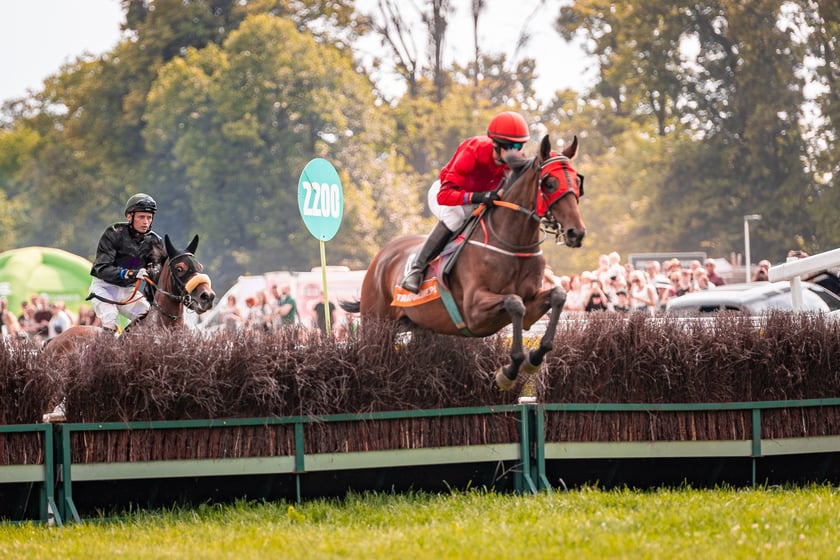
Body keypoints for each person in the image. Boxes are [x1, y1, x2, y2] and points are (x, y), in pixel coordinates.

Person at [400, 111, 530, 293]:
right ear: (497, 144)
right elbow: (444, 196)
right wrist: (479, 197)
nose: (517, 151)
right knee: (455, 218)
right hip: (447, 195)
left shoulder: (512, 160)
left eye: (520, 146)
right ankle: (416, 268)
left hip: (476, 203)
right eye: (512, 146)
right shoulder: (474, 150)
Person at [88, 193, 165, 333]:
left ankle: (127, 344)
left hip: (128, 291)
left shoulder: (155, 241)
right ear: (129, 216)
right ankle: (104, 347)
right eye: (141, 217)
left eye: (149, 217)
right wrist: (131, 274)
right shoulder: (113, 233)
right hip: (105, 288)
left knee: (151, 319)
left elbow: (160, 274)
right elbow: (102, 268)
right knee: (111, 319)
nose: (146, 222)